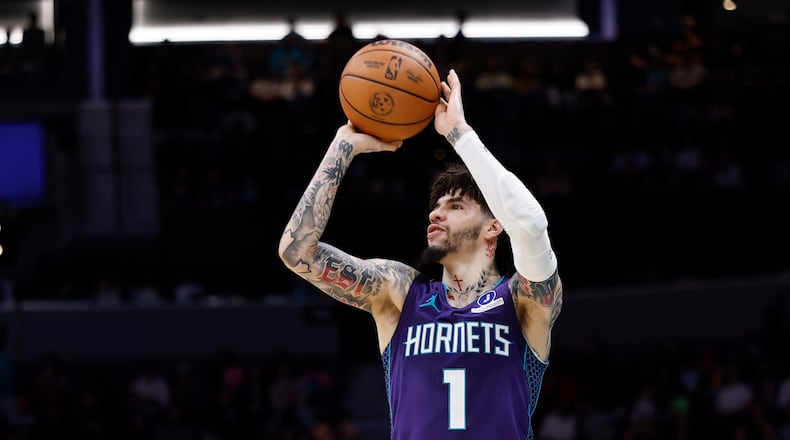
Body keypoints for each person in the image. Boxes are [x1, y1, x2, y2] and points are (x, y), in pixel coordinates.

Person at [278, 69, 563, 439]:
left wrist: (458, 132)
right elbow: (296, 252)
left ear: (494, 225)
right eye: (435, 206)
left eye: (456, 206)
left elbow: (529, 223)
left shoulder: (524, 302)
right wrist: (342, 146)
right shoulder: (399, 292)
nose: (436, 213)